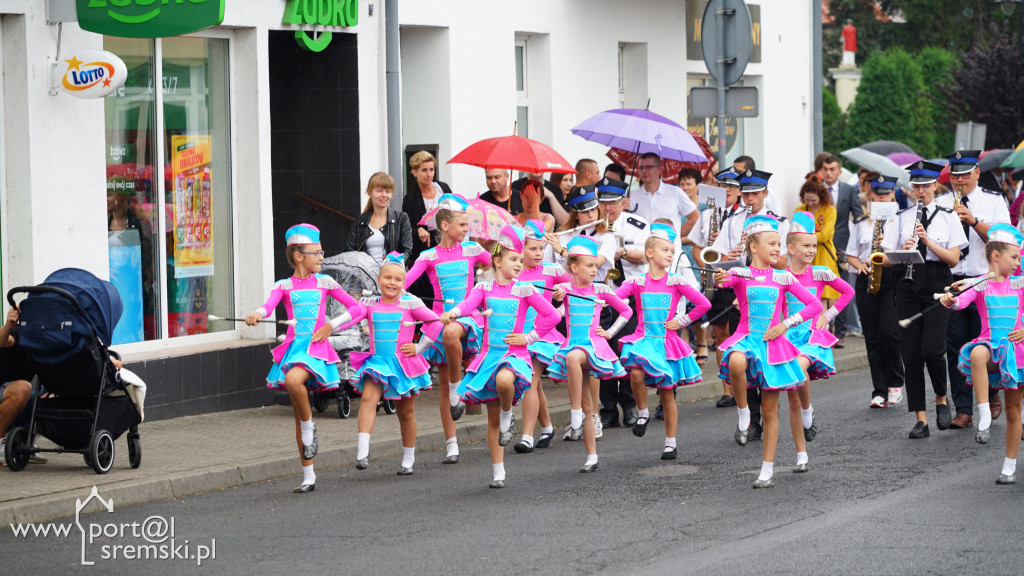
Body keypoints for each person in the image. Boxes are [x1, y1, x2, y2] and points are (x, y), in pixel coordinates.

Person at [246, 223, 366, 493]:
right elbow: (268, 306)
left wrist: (331, 326)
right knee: (298, 412)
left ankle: (309, 425)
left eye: (321, 251)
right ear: (299, 256)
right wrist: (256, 314)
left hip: (316, 348)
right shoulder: (284, 285)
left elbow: (357, 308)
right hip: (294, 348)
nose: (322, 256)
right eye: (317, 252)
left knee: (292, 381)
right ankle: (308, 475)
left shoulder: (325, 282)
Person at [447, 224, 560, 488]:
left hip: (515, 354)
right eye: (514, 259)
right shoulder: (484, 288)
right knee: (492, 416)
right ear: (497, 261)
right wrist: (453, 313)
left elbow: (552, 316)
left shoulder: (525, 289)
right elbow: (467, 305)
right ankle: (498, 471)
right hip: (489, 355)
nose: (520, 264)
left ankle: (510, 415)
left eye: (521, 259)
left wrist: (528, 338)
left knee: (505, 382)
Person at [714, 215, 823, 487]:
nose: (778, 249)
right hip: (746, 337)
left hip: (774, 346)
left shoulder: (783, 276)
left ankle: (767, 469)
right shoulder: (742, 274)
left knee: (770, 410)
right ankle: (743, 414)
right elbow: (722, 282)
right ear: (753, 247)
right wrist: (719, 277)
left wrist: (786, 324)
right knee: (736, 361)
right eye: (772, 243)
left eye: (779, 244)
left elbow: (814, 306)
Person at [881, 161, 967, 439]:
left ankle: (942, 398)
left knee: (933, 349)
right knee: (912, 353)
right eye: (916, 186)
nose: (921, 191)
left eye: (926, 186)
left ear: (934, 186)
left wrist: (927, 242)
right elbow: (883, 259)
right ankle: (921, 418)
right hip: (907, 285)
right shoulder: (902, 216)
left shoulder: (947, 215)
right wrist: (901, 252)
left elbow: (954, 258)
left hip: (937, 283)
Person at [404, 194, 492, 464]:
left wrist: (504, 248)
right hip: (441, 319)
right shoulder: (429, 255)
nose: (467, 229)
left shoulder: (472, 250)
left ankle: (460, 388)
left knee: (453, 332)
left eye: (468, 224)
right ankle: (451, 444)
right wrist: (388, 280)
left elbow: (500, 263)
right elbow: (404, 281)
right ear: (444, 226)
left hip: (468, 317)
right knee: (442, 384)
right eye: (463, 224)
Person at [616, 223, 712, 460]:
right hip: (643, 338)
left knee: (667, 393)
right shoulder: (638, 281)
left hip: (667, 343)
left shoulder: (676, 281)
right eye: (665, 250)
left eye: (672, 250)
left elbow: (704, 304)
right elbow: (614, 296)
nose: (670, 254)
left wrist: (682, 321)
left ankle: (670, 443)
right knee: (635, 374)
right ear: (650, 253)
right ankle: (642, 412)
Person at [935, 150, 1012, 430]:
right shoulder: (942, 202)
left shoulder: (992, 200)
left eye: (965, 175)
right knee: (955, 345)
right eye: (955, 175)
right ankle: (964, 409)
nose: (960, 180)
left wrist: (974, 221)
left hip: (986, 280)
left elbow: (1006, 239)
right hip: (954, 279)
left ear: (977, 173)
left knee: (988, 342)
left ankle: (991, 392)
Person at [547, 236, 633, 472]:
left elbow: (626, 310)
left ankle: (573, 413)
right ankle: (591, 456)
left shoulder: (601, 289)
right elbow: (557, 315)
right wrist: (556, 302)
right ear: (574, 267)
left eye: (596, 265)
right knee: (588, 406)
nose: (595, 269)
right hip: (572, 342)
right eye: (590, 265)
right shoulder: (564, 289)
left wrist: (609, 332)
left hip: (593, 346)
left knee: (573, 357)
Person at [938, 225, 1024, 460]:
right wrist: (949, 300)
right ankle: (984, 412)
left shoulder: (1020, 284)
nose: (1019, 262)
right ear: (996, 257)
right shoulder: (979, 284)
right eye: (1015, 257)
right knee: (976, 353)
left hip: (1017, 351)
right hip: (990, 344)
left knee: (1014, 411)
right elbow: (960, 302)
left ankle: (1009, 466)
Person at [348, 253, 438, 475]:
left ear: (404, 283)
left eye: (398, 279)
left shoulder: (411, 303)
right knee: (369, 398)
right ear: (378, 279)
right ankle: (362, 452)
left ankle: (408, 459)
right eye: (387, 278)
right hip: (377, 361)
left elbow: (435, 323)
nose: (392, 283)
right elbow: (351, 317)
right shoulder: (370, 303)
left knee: (405, 412)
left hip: (403, 364)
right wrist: (329, 327)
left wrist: (420, 347)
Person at [542, 186, 617, 438]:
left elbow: (596, 264)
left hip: (596, 301)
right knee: (573, 364)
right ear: (575, 213)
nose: (591, 214)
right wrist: (548, 245)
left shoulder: (607, 237)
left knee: (591, 362)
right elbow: (555, 273)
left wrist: (564, 251)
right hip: (570, 303)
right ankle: (580, 415)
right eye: (585, 211)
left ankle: (593, 415)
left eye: (593, 209)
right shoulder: (562, 236)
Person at [785, 211, 855, 451]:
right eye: (806, 245)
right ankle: (804, 410)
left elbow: (848, 293)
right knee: (793, 381)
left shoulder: (820, 272)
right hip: (787, 336)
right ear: (791, 249)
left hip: (812, 334)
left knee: (799, 367)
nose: (811, 250)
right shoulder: (782, 276)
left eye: (814, 245)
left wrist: (827, 315)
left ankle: (806, 410)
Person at [846, 175, 905, 408]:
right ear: (870, 195)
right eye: (877, 193)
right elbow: (851, 252)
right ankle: (879, 390)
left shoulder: (901, 221)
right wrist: (858, 265)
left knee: (889, 333)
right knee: (871, 336)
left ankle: (895, 382)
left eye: (886, 193)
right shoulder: (861, 223)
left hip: (891, 277)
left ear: (893, 194)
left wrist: (888, 248)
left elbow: (906, 252)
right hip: (866, 276)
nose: (882, 197)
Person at [514, 220, 571, 453]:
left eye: (541, 248)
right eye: (532, 249)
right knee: (534, 385)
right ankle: (546, 427)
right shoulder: (513, 272)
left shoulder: (552, 270)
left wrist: (562, 297)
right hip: (519, 336)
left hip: (543, 335)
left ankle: (527, 436)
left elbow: (577, 292)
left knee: (529, 380)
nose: (538, 253)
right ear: (520, 249)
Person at [690, 168, 745, 407]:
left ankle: (744, 384)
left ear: (740, 190)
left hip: (738, 277)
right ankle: (727, 390)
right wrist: (706, 266)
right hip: (716, 278)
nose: (728, 190)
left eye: (733, 186)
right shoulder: (707, 214)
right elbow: (695, 247)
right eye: (723, 185)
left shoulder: (746, 215)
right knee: (721, 335)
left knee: (737, 334)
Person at [596, 177, 647, 428]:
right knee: (604, 350)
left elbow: (646, 255)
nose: (608, 209)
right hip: (603, 296)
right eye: (603, 203)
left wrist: (621, 252)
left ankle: (629, 405)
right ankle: (608, 408)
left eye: (613, 203)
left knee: (626, 351)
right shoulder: (593, 228)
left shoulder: (637, 225)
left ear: (622, 202)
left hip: (628, 297)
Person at [819, 154, 864, 343]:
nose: (829, 173)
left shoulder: (848, 189)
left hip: (841, 246)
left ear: (839, 171)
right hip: (820, 246)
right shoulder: (816, 189)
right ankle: (821, 330)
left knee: (842, 287)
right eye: (826, 169)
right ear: (821, 171)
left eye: (832, 169)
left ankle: (840, 332)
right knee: (820, 286)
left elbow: (859, 216)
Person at [345, 172, 413, 263]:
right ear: (369, 192)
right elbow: (349, 252)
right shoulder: (360, 221)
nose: (384, 195)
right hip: (365, 274)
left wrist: (392, 263)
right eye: (379, 191)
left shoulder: (401, 218)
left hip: (392, 273)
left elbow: (407, 251)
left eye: (387, 191)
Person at [630, 152, 699, 239]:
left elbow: (695, 217)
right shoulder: (632, 196)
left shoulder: (675, 192)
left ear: (660, 169)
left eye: (649, 167)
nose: (644, 171)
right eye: (641, 167)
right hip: (643, 251)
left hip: (671, 251)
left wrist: (674, 236)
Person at [402, 151, 453, 262]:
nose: (429, 174)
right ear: (414, 173)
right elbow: (407, 228)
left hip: (447, 239)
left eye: (431, 169)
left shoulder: (443, 188)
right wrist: (418, 230)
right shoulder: (410, 198)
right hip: (426, 246)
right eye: (424, 170)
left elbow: (454, 211)